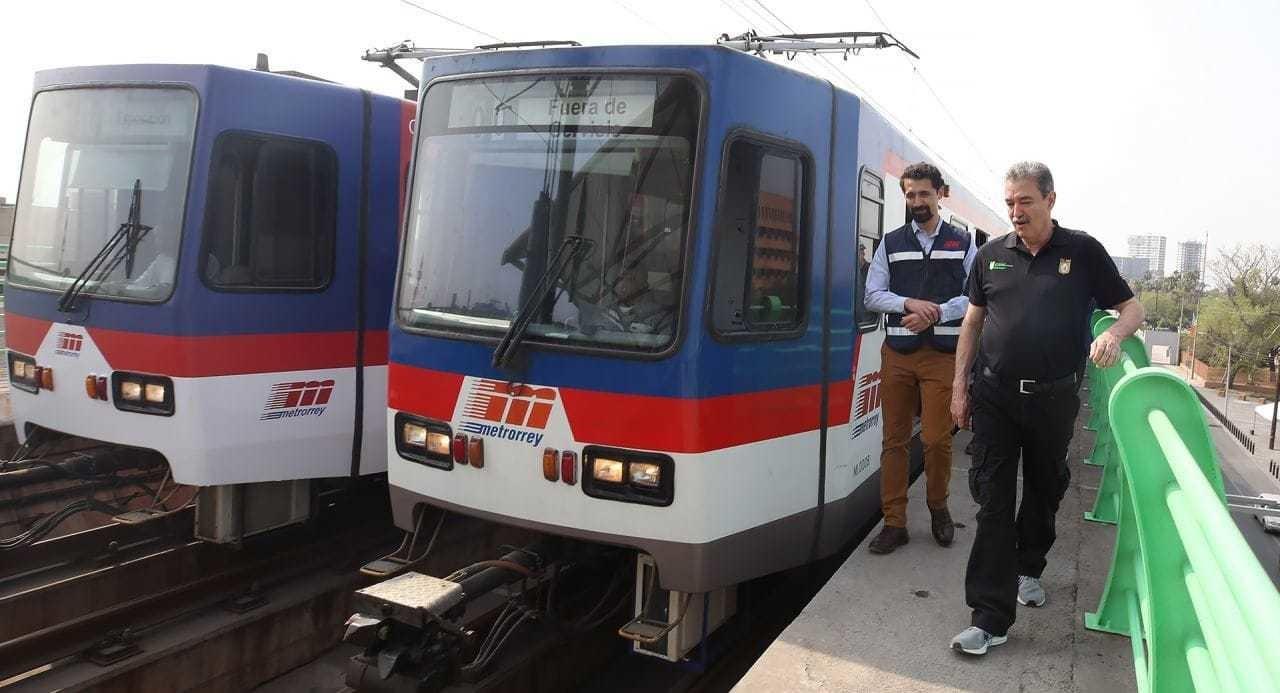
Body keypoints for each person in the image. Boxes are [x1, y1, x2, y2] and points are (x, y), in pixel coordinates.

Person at [949, 161, 1144, 655]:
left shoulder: (1082, 251)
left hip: (1054, 398)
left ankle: (1029, 566)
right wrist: (959, 387)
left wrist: (1116, 337)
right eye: (1010, 202)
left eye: (1025, 201)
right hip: (994, 395)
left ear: (1050, 200)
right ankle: (989, 617)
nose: (1015, 211)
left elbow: (1132, 309)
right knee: (992, 501)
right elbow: (972, 324)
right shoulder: (991, 255)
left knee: (1043, 488)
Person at [864, 162, 975, 554]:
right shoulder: (890, 243)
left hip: (942, 356)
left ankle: (938, 509)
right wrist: (909, 302)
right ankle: (894, 523)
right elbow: (872, 295)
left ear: (939, 194)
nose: (916, 201)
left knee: (936, 439)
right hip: (897, 353)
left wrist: (937, 312)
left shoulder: (962, 243)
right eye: (910, 195)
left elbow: (976, 296)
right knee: (893, 441)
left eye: (924, 194)